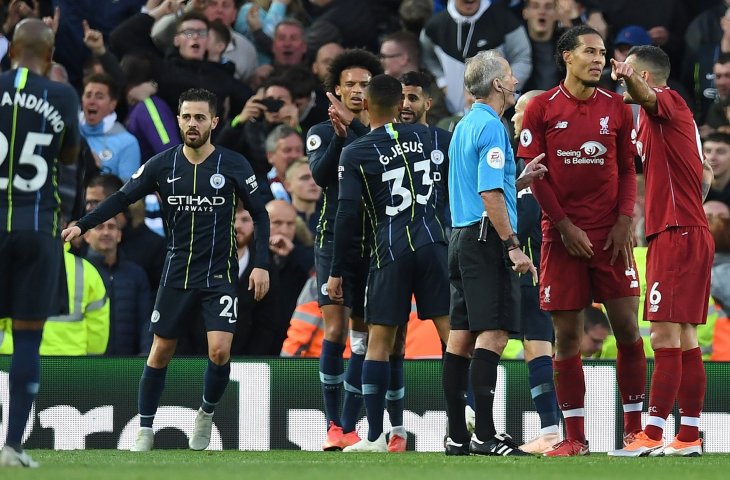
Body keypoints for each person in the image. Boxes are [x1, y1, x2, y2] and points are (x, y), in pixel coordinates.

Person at [61, 88, 271, 452]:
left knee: (220, 352)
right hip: (177, 273)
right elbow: (122, 197)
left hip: (219, 274)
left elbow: (261, 214)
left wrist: (261, 264)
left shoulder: (233, 164)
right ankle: (145, 429)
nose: (193, 124)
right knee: (160, 351)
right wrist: (83, 222)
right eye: (187, 117)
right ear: (178, 120)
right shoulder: (162, 164)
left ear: (214, 122)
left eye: (200, 117)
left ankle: (205, 413)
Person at [516, 25, 646, 457]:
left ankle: (634, 430)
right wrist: (564, 225)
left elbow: (628, 169)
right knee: (566, 338)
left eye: (602, 52)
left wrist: (626, 219)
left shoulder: (618, 107)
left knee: (628, 331)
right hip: (561, 237)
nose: (598, 59)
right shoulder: (541, 108)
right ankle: (575, 438)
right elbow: (535, 176)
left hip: (611, 235)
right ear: (566, 56)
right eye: (589, 51)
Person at [325, 73, 450, 453]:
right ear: (401, 106)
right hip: (433, 242)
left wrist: (337, 270)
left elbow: (346, 216)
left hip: (390, 249)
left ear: (365, 105)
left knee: (379, 343)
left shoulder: (357, 151)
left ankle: (376, 436)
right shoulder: (429, 137)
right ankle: (471, 417)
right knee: (453, 337)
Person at [608, 46, 714, 457]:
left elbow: (648, 95)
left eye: (628, 75)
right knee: (685, 337)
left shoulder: (668, 102)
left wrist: (626, 74)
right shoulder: (655, 123)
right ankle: (688, 436)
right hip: (683, 229)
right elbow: (702, 175)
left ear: (644, 78)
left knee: (663, 333)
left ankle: (650, 434)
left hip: (678, 233)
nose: (621, 81)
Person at [443, 50, 544, 457]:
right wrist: (513, 246)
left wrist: (518, 178)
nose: (514, 77)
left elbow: (480, 183)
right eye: (508, 73)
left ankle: (456, 436)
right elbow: (488, 193)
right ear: (499, 84)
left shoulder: (465, 125)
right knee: (496, 333)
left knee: (461, 338)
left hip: (462, 236)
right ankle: (484, 435)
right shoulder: (493, 128)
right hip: (487, 239)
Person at [0, 18, 81, 468]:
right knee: (28, 340)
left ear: (10, 50)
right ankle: (13, 446)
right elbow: (69, 155)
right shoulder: (63, 94)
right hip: (38, 226)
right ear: (50, 56)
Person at [306, 49, 383, 451]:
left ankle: (354, 421)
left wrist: (353, 130)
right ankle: (335, 424)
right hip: (332, 240)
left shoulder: (383, 136)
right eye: (350, 84)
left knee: (365, 336)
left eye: (364, 83)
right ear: (335, 89)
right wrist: (340, 137)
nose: (357, 90)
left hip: (374, 242)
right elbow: (320, 175)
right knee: (335, 329)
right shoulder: (320, 130)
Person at [509, 89, 561, 453]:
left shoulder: (538, 165)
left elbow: (523, 218)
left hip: (530, 269)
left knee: (532, 345)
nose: (514, 118)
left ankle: (552, 429)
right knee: (538, 346)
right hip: (540, 270)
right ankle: (552, 429)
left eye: (521, 112)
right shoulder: (525, 162)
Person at [399, 71, 453, 238]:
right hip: (396, 238)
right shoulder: (383, 141)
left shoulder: (445, 141)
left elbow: (454, 193)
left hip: (435, 237)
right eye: (401, 98)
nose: (405, 104)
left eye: (413, 98)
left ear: (428, 104)